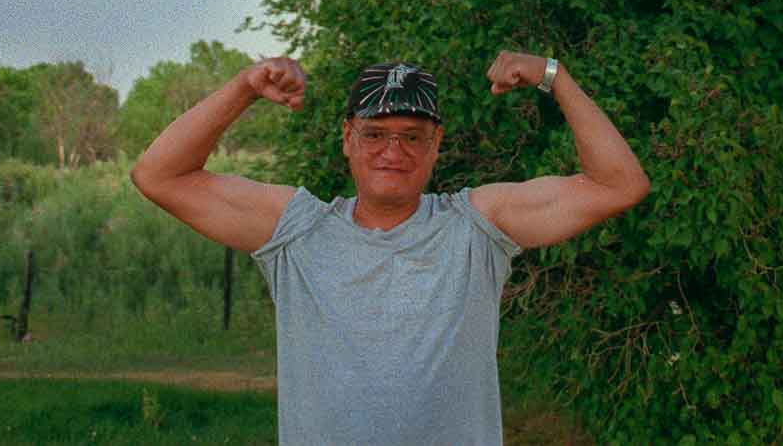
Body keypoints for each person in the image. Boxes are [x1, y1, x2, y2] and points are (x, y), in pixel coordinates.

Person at [129, 51, 650, 445]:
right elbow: (159, 175)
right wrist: (244, 87)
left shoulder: (477, 226)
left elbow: (618, 185)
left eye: (412, 136)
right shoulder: (294, 228)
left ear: (436, 144)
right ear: (347, 138)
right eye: (375, 134)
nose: (392, 152)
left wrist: (553, 77)